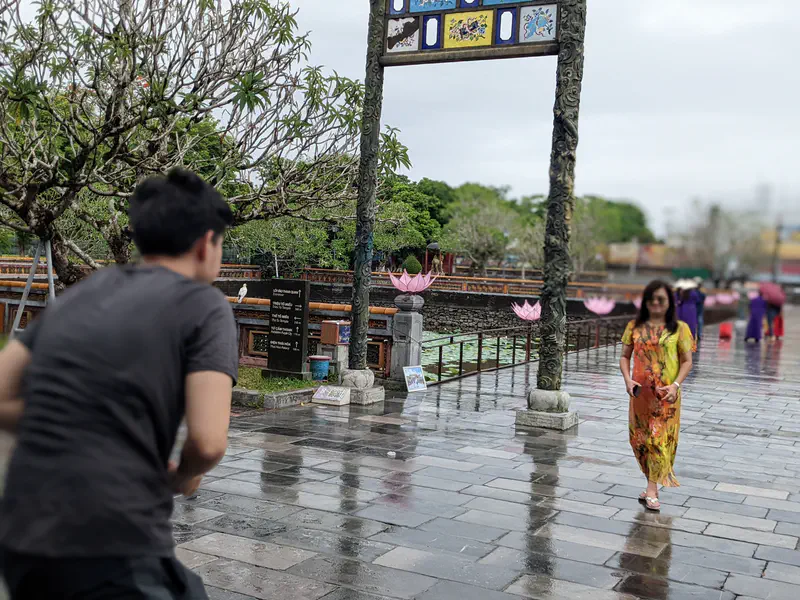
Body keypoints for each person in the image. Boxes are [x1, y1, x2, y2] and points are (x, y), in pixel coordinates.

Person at [0, 169, 238, 599]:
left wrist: (82, 416)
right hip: (112, 538)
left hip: (21, 534)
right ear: (206, 244)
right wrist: (183, 476)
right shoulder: (205, 305)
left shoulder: (86, 290)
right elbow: (207, 443)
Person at [620, 280, 694, 512]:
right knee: (639, 440)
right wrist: (627, 379)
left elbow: (687, 361)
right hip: (640, 395)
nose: (655, 303)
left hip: (666, 397)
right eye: (651, 299)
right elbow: (624, 357)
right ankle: (650, 481)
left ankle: (652, 489)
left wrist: (675, 385)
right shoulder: (634, 326)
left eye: (661, 299)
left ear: (670, 302)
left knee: (658, 439)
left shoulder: (680, 329)